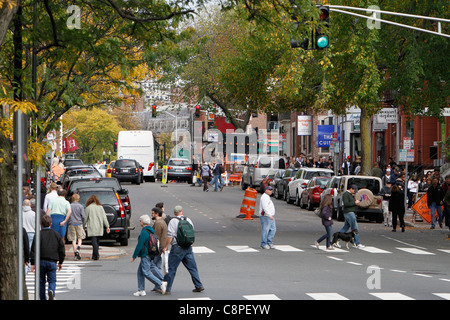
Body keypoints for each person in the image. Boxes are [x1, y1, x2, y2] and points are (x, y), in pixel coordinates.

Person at [162, 205, 204, 295]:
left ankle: (167, 288)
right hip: (188, 247)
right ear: (182, 212)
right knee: (192, 268)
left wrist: (165, 247)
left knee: (172, 268)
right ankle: (198, 285)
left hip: (177, 247)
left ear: (174, 213)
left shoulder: (173, 221)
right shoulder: (188, 220)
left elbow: (170, 236)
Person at [30, 215, 65, 300]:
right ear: (51, 224)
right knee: (52, 280)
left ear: (41, 224)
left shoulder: (38, 235)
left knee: (41, 282)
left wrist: (33, 263)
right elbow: (62, 249)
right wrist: (60, 261)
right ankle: (51, 290)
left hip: (41, 261)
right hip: (52, 261)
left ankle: (43, 298)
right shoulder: (56, 235)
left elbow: (34, 249)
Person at [131, 214, 166, 296]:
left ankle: (160, 283)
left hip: (145, 254)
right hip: (150, 254)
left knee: (146, 272)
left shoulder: (144, 232)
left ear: (142, 222)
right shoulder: (151, 231)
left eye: (140, 221)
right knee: (140, 272)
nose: (140, 222)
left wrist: (134, 256)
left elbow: (139, 245)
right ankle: (141, 290)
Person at [84, 195, 110, 260]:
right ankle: (94, 255)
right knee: (97, 241)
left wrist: (83, 226)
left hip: (92, 227)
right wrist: (107, 226)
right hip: (99, 226)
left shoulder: (88, 208)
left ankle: (96, 255)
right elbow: (104, 217)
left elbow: (85, 219)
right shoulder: (100, 207)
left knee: (94, 242)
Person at [150, 207, 167, 282]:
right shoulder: (162, 222)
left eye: (153, 213)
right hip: (162, 247)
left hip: (158, 248)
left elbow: (155, 237)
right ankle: (158, 285)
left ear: (157, 214)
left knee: (152, 266)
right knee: (158, 266)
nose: (152, 215)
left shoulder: (158, 223)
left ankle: (163, 281)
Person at [68, 194, 86, 260]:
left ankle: (75, 252)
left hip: (71, 223)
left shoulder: (70, 206)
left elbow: (68, 214)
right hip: (79, 223)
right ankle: (78, 247)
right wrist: (83, 222)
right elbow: (83, 216)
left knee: (73, 239)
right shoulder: (80, 206)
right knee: (80, 238)